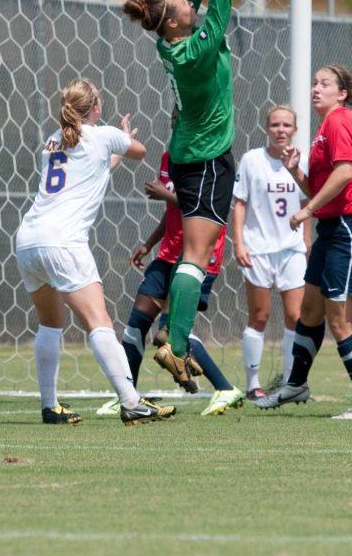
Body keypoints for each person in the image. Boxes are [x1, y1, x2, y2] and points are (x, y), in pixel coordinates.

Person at [122, 0, 250, 391]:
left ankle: (175, 343)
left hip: (188, 156)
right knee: (195, 255)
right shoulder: (197, 49)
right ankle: (176, 344)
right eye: (179, 2)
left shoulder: (170, 39)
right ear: (176, 21)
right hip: (209, 158)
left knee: (190, 254)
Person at [14, 79, 175, 426]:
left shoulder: (54, 140)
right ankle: (131, 401)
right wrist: (123, 134)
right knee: (98, 321)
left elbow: (94, 169)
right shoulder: (101, 134)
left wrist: (114, 143)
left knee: (51, 323)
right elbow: (141, 150)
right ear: (96, 108)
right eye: (100, 101)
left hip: (29, 239)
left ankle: (49, 406)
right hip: (63, 241)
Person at [256, 66, 352, 420]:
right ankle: (296, 385)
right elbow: (321, 188)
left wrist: (308, 210)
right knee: (308, 310)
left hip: (351, 230)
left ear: (342, 93)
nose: (316, 88)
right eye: (313, 82)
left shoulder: (340, 120)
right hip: (333, 228)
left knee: (341, 320)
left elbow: (345, 174)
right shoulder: (324, 128)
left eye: (324, 84)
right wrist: (297, 172)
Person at [101, 145, 246, 418]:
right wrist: (148, 244)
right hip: (168, 254)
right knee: (135, 325)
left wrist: (164, 194)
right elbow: (172, 210)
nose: (176, 124)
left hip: (196, 256)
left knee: (169, 333)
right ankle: (127, 395)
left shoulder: (209, 157)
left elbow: (202, 205)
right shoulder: (170, 156)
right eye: (173, 120)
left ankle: (225, 388)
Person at [232, 105, 310, 400]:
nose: (281, 129)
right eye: (275, 124)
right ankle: (253, 384)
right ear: (267, 128)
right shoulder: (252, 159)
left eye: (286, 125)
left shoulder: (303, 162)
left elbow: (308, 202)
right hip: (258, 249)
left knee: (296, 316)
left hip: (291, 250)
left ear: (294, 130)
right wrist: (239, 242)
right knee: (260, 316)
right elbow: (239, 203)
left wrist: (307, 241)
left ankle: (292, 383)